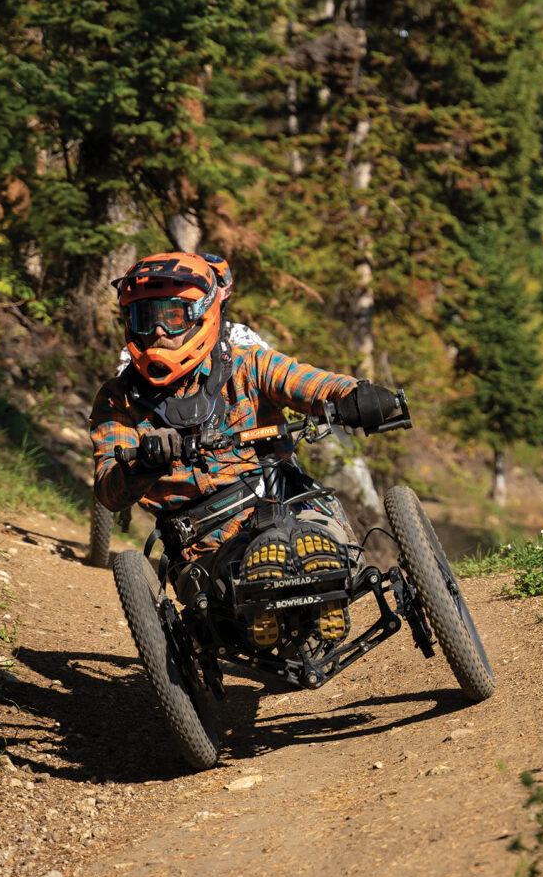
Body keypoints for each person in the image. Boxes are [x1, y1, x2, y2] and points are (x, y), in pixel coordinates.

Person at [89, 250, 398, 644]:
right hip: (203, 548)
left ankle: (305, 571)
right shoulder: (117, 399)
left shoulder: (248, 364)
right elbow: (108, 490)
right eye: (144, 318)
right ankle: (270, 580)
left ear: (201, 314)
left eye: (172, 315)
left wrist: (356, 395)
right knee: (251, 560)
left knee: (305, 531)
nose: (158, 331)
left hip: (284, 502)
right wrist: (144, 466)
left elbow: (308, 382)